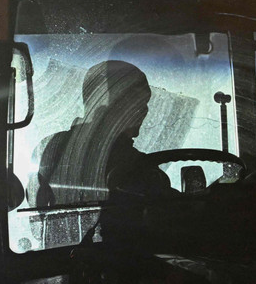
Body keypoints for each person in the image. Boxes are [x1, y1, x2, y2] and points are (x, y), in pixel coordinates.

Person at [31, 60, 170, 210]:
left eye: (144, 103)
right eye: (136, 102)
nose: (144, 111)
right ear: (104, 103)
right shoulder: (138, 167)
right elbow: (38, 210)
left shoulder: (50, 147)